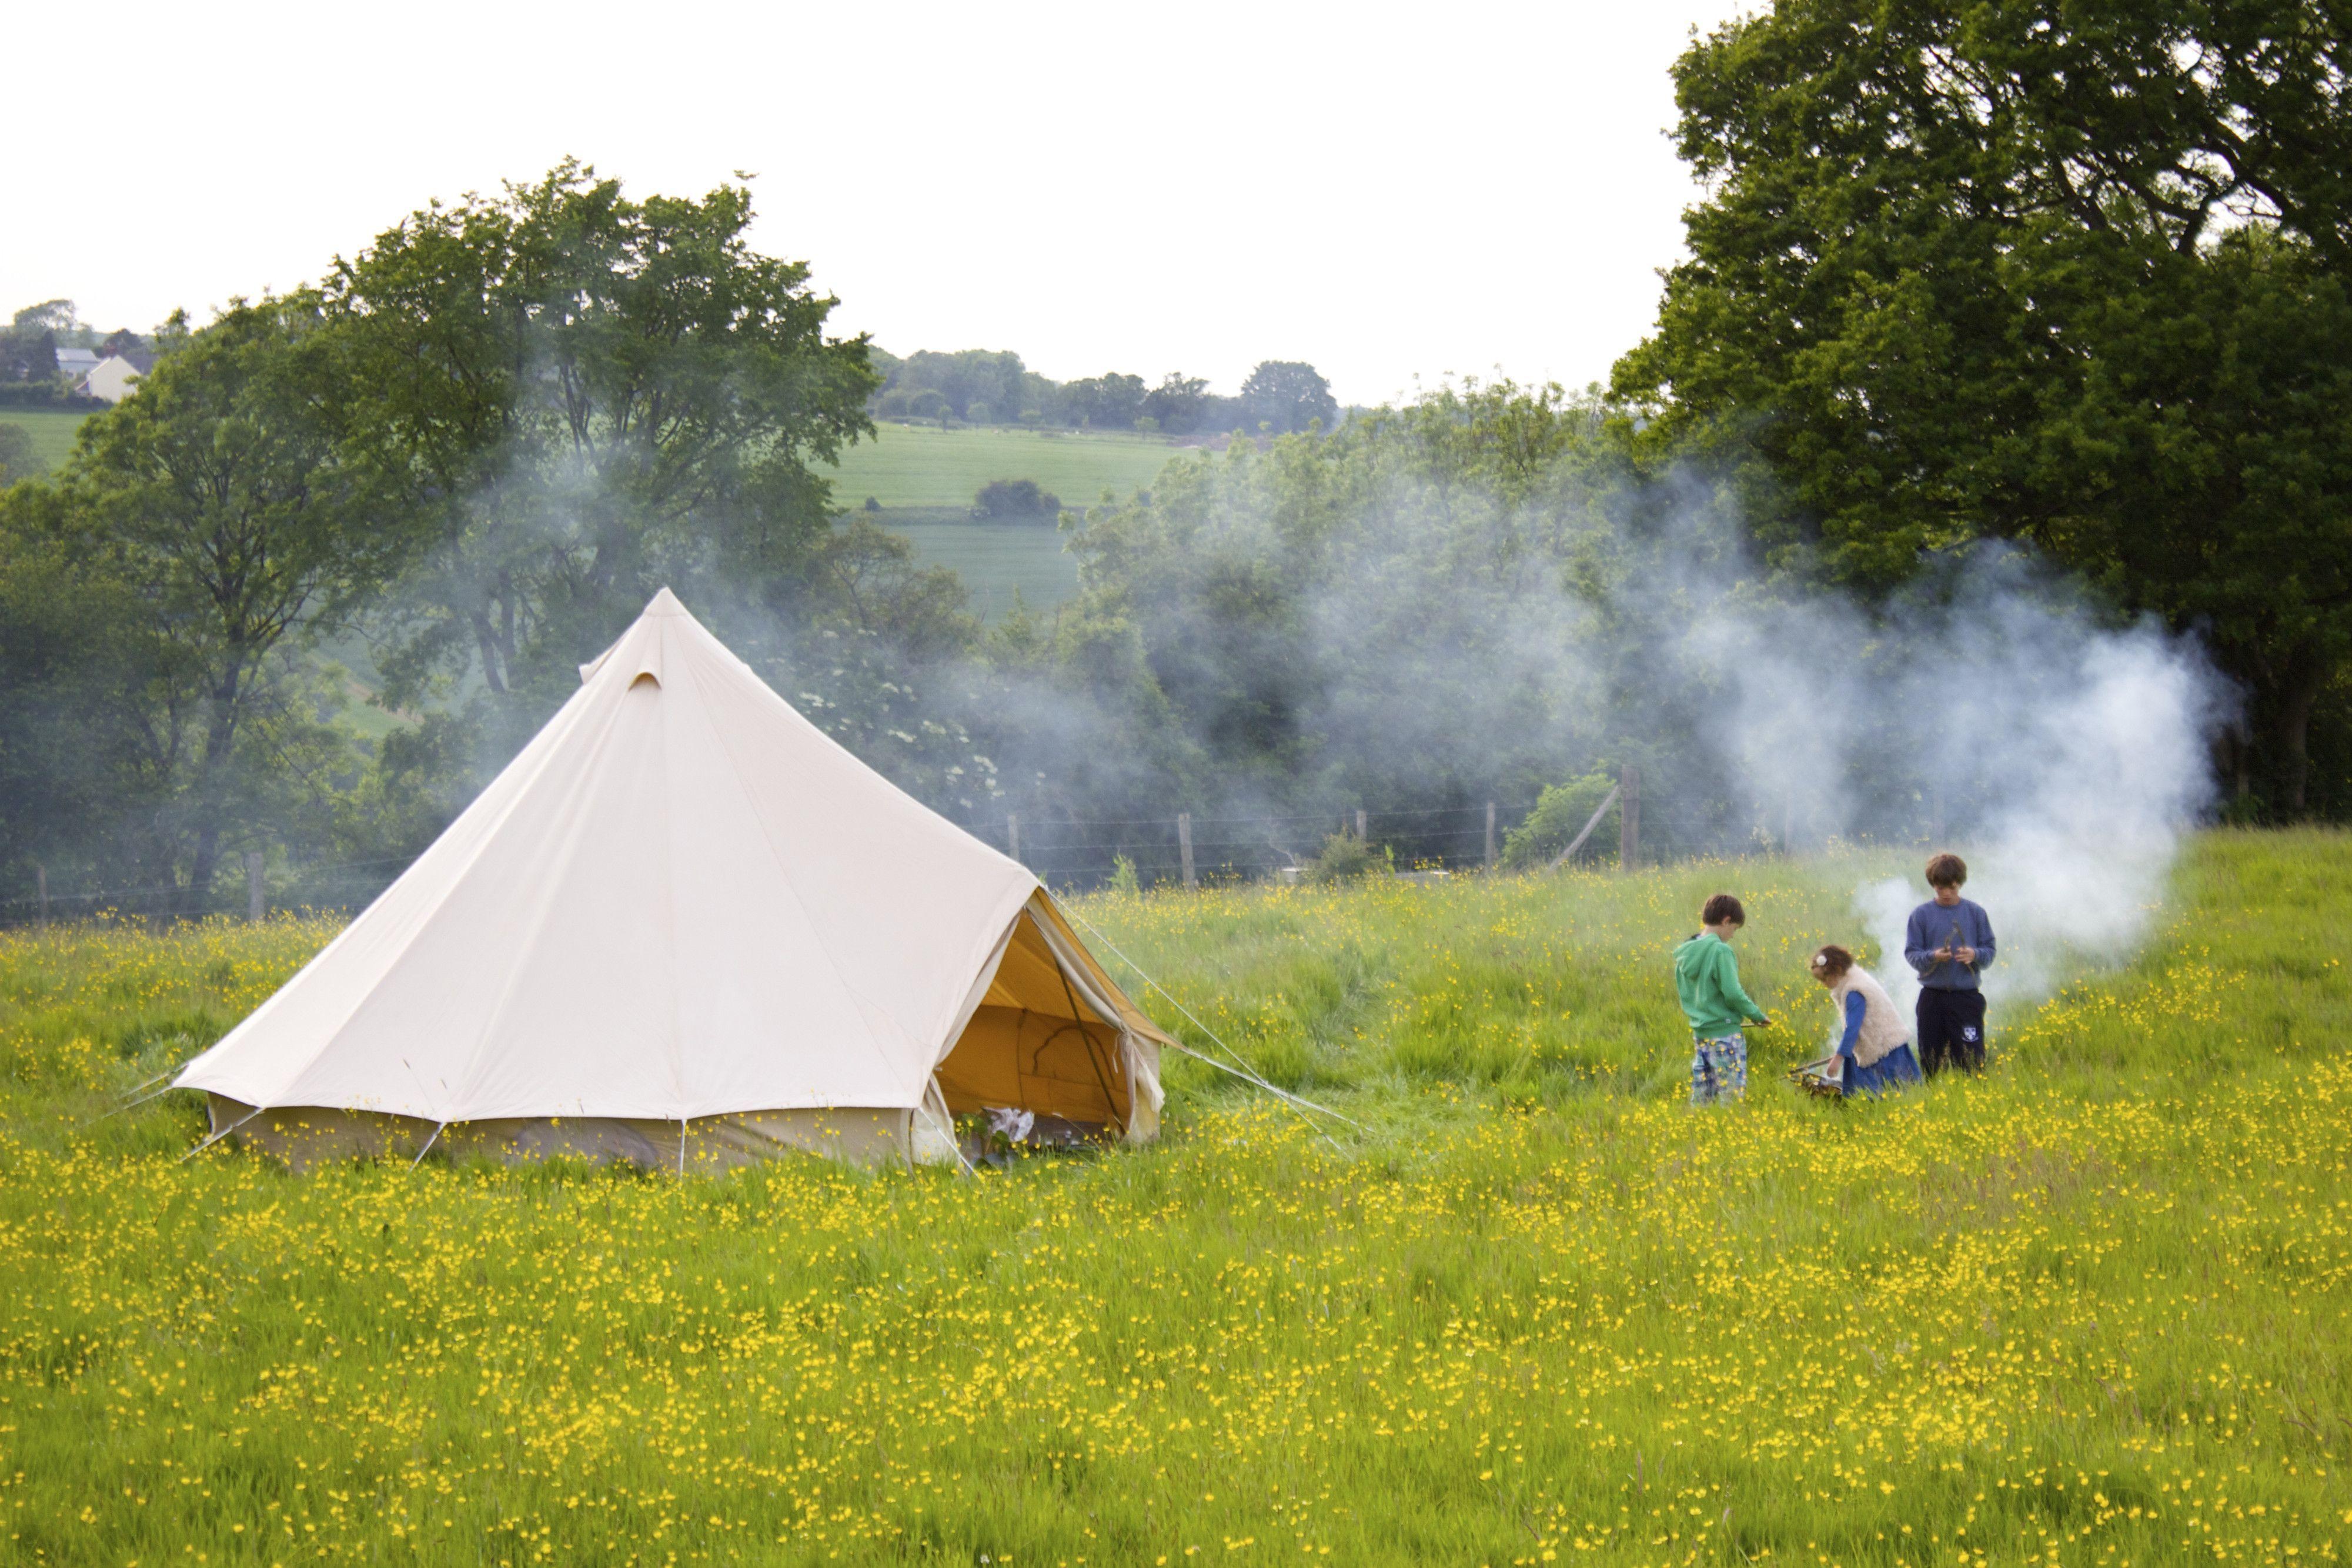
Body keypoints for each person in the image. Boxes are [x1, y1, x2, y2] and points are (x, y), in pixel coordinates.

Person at [1673, 892, 1773, 1105]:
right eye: (1734, 929)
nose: (1733, 935)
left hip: (1701, 1034)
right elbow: (1733, 993)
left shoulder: (1686, 952)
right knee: (1731, 1098)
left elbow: (1686, 993)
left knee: (1702, 1098)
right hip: (1726, 1035)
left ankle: (1696, 1136)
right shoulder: (1721, 951)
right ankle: (1730, 1136)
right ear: (1726, 921)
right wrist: (1756, 1015)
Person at [1905, 852, 1996, 1075]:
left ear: (1961, 884)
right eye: (1940, 888)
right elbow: (1912, 955)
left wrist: (1974, 955)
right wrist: (1933, 957)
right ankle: (1934, 1100)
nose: (1946, 893)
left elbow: (1990, 952)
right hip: (1932, 999)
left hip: (1966, 999)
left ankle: (1971, 1099)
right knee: (1930, 1061)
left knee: (1971, 1063)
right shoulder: (1921, 915)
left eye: (1952, 888)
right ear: (1933, 885)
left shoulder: (1975, 914)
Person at [1806, 944, 1923, 1096]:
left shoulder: (1854, 990)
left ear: (1838, 971)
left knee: (1880, 1093)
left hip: (1881, 1046)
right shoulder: (1855, 979)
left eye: (1824, 979)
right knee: (1897, 1091)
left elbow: (1852, 1028)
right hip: (1879, 1041)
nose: (1824, 984)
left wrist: (1838, 1058)